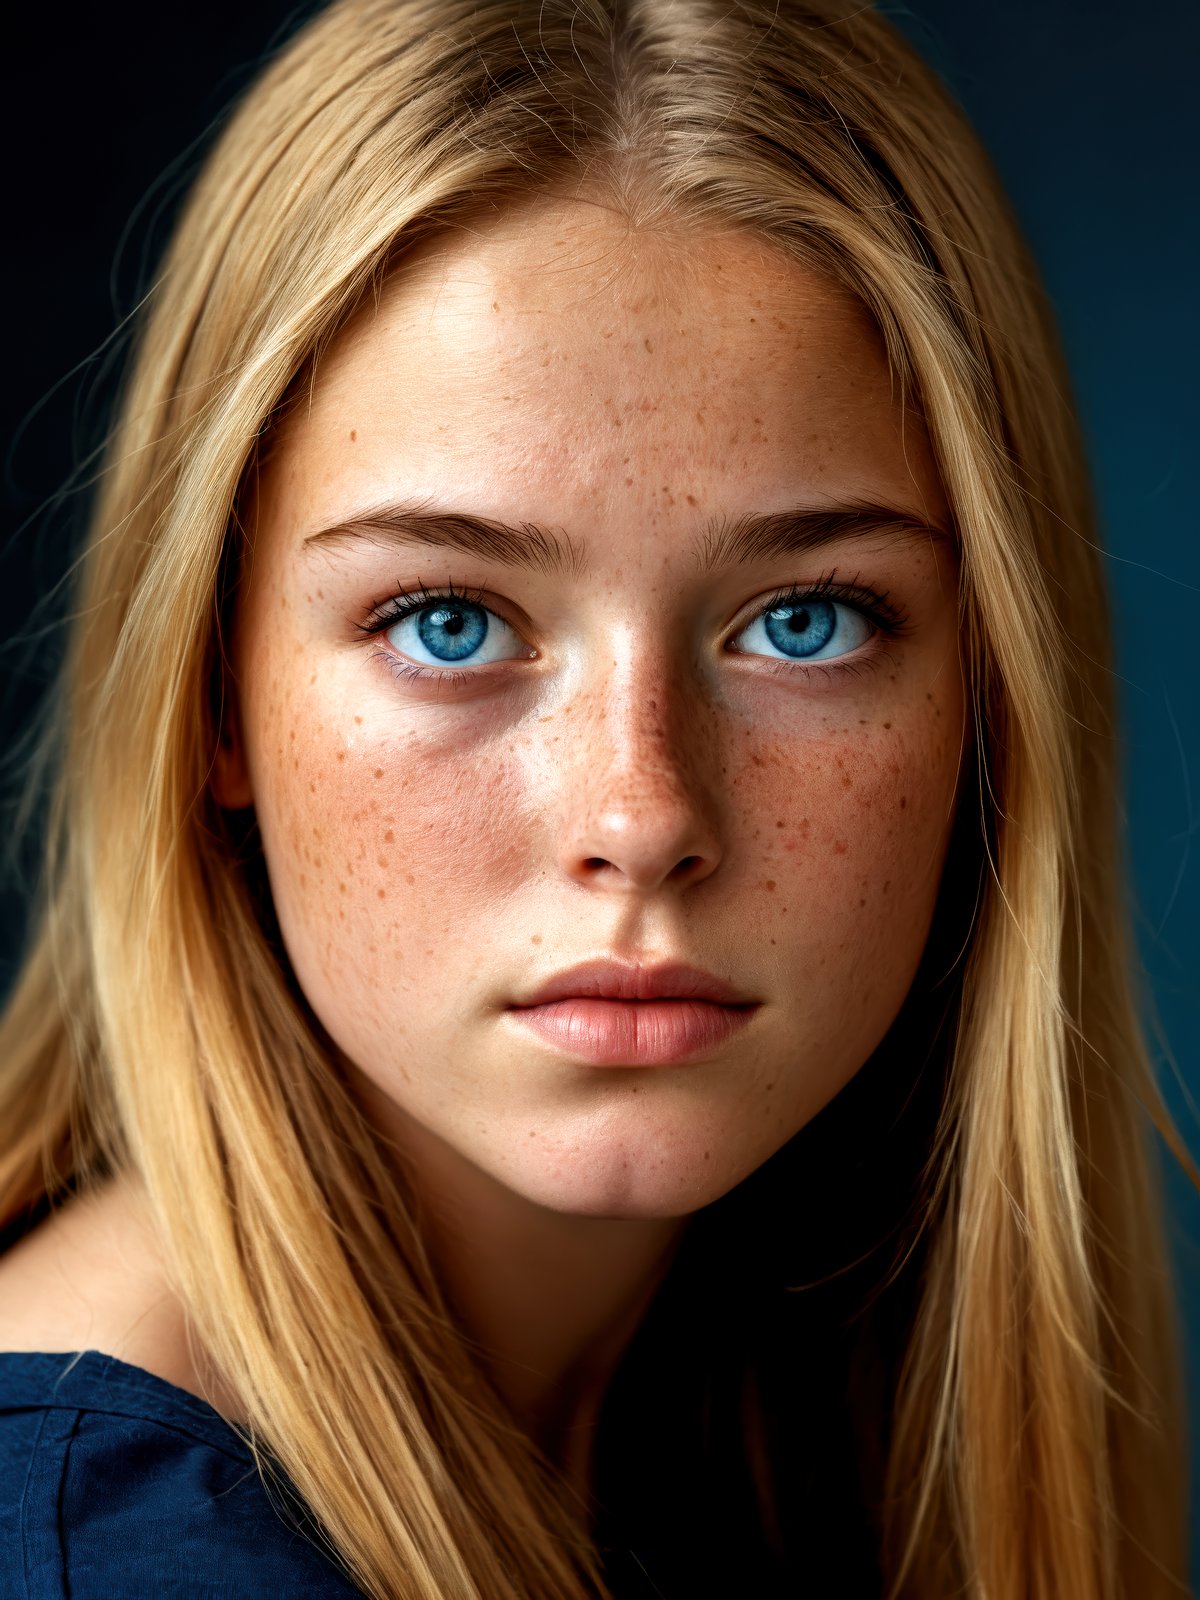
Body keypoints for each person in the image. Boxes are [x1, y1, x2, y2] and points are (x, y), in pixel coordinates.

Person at [0, 0, 1192, 1595]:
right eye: (451, 623)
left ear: (990, 698)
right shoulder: (111, 1545)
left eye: (805, 621)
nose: (638, 812)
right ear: (215, 695)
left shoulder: (737, 1422)